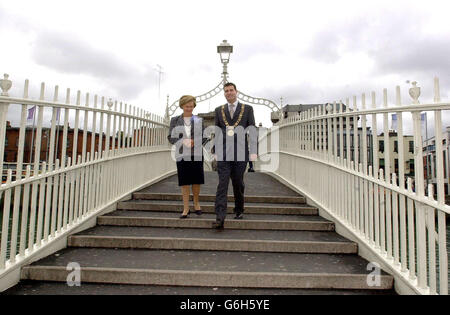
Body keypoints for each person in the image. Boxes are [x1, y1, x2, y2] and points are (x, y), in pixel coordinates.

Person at [212, 82, 257, 230]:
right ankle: (220, 217)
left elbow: (252, 129)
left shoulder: (248, 109)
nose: (229, 93)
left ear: (236, 91)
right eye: (226, 91)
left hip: (240, 151)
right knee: (222, 184)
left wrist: (254, 151)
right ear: (224, 94)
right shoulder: (219, 110)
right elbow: (217, 132)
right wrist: (215, 150)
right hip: (224, 152)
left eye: (231, 90)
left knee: (238, 183)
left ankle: (239, 208)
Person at [168, 95, 208, 219]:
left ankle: (196, 203)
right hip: (181, 154)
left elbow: (205, 136)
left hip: (196, 154)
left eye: (191, 106)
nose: (189, 108)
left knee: (196, 181)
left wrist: (195, 142)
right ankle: (186, 208)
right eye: (187, 106)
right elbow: (170, 136)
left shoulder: (198, 120)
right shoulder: (174, 120)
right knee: (184, 182)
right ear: (182, 106)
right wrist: (182, 141)